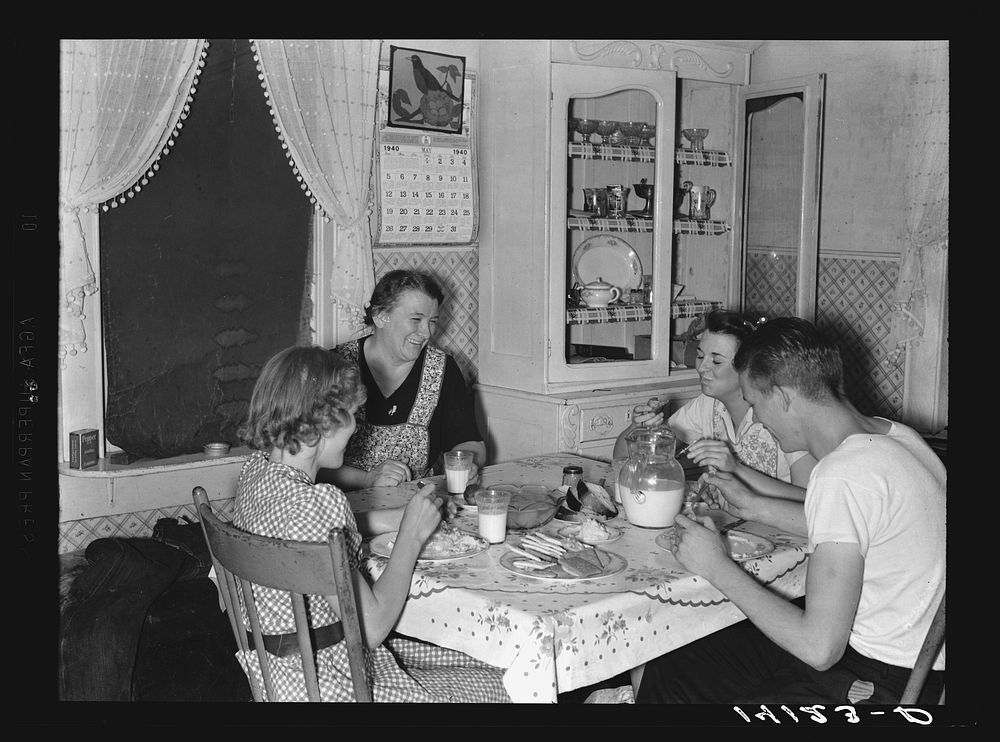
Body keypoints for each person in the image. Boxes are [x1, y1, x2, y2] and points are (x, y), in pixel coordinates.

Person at [636, 317, 946, 704]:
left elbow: (819, 648)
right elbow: (861, 531)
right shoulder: (898, 438)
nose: (760, 420)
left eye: (755, 403)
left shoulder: (845, 473)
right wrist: (754, 506)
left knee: (689, 672)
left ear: (782, 397)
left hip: (875, 681)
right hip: (919, 663)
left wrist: (715, 565)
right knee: (681, 653)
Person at [231, 345, 509, 702]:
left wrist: (390, 519)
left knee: (478, 664)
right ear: (324, 422)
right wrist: (410, 535)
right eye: (350, 415)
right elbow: (372, 628)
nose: (354, 429)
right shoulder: (322, 503)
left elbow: (306, 535)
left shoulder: (256, 473)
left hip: (281, 676)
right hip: (331, 683)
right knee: (504, 683)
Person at [614, 310, 816, 499]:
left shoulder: (783, 415)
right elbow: (623, 457)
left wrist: (735, 470)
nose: (702, 367)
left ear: (749, 366)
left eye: (716, 362)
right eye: (700, 355)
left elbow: (810, 501)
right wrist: (639, 429)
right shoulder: (708, 405)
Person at [317, 269, 485, 490]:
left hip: (418, 499)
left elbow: (471, 442)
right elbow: (308, 456)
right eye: (416, 319)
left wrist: (467, 463)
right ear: (380, 316)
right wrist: (367, 479)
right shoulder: (334, 366)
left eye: (432, 321)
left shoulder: (443, 368)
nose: (426, 332)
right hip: (344, 503)